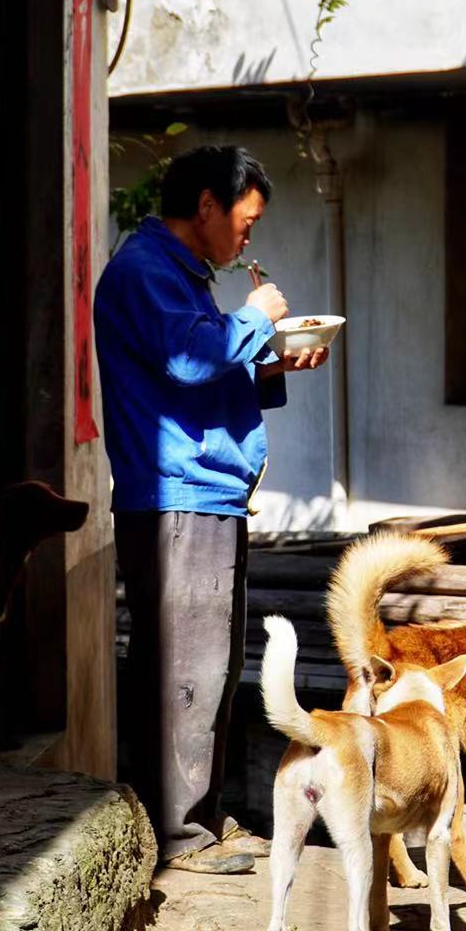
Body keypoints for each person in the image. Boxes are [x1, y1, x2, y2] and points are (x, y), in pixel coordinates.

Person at [94, 145, 328, 874]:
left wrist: (270, 361)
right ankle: (178, 834)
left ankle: (200, 818)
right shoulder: (144, 272)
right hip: (175, 496)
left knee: (215, 666)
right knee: (188, 671)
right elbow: (191, 360)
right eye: (246, 222)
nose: (247, 241)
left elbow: (197, 379)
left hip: (204, 494)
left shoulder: (177, 276)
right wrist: (256, 319)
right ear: (206, 207)